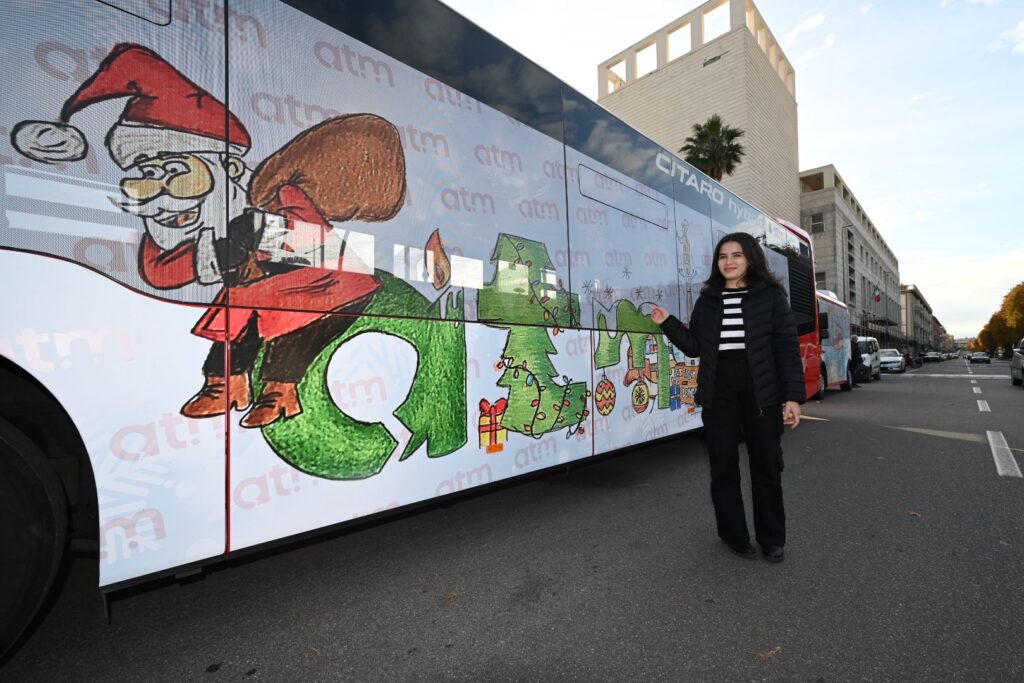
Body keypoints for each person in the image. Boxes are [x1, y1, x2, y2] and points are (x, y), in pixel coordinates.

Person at [650, 232, 804, 563]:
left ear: (751, 259)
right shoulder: (708, 300)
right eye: (723, 256)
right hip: (719, 389)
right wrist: (668, 324)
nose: (729, 261)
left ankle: (772, 538)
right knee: (722, 466)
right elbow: (695, 347)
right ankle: (734, 535)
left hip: (761, 389)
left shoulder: (772, 298)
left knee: (766, 466)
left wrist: (793, 397)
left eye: (736, 255)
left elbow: (787, 349)